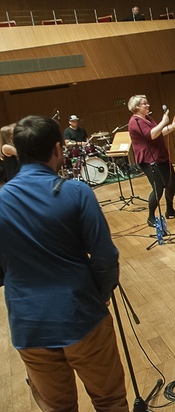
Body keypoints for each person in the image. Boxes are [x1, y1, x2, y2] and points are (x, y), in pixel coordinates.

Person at [0, 115, 128, 411]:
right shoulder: (77, 193)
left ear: (18, 151)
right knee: (110, 401)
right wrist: (101, 295)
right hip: (81, 315)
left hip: (28, 324)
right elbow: (106, 257)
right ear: (58, 149)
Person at [127, 95, 175, 226]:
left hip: (160, 156)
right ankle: (151, 217)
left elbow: (158, 132)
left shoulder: (147, 118)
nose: (148, 105)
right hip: (148, 160)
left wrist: (172, 127)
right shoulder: (135, 121)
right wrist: (164, 121)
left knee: (171, 183)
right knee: (158, 188)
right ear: (136, 107)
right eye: (144, 104)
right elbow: (151, 135)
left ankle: (170, 210)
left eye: (147, 103)